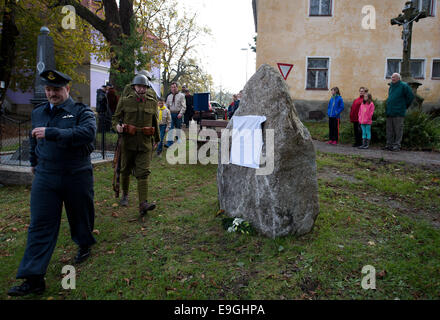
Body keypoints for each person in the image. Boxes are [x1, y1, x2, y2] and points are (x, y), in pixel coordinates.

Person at [7, 70, 97, 296]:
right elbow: (33, 138)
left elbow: (87, 133)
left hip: (76, 173)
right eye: (48, 89)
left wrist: (53, 132)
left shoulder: (81, 111)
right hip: (46, 176)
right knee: (40, 225)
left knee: (80, 214)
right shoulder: (38, 113)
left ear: (67, 88)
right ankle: (34, 278)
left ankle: (84, 243)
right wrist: (33, 162)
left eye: (56, 89)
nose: (51, 93)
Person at [112, 74, 160, 215]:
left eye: (144, 86)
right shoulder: (125, 101)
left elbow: (154, 121)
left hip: (145, 143)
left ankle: (143, 203)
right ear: (134, 87)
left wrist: (157, 139)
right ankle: (125, 195)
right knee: (125, 170)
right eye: (139, 86)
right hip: (128, 143)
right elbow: (115, 118)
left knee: (143, 172)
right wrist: (117, 127)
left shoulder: (151, 102)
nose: (141, 89)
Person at [384, 73, 414, 151]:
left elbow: (410, 97)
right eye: (392, 77)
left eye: (394, 77)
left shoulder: (404, 86)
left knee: (398, 129)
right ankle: (389, 144)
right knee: (389, 129)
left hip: (399, 111)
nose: (392, 79)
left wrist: (404, 106)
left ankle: (397, 145)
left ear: (398, 78)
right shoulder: (391, 86)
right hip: (390, 111)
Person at [165, 82, 186, 147]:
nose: (173, 89)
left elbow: (184, 106)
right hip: (171, 114)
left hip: (178, 114)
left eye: (174, 87)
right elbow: (166, 106)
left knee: (178, 128)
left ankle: (178, 140)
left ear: (177, 87)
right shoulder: (169, 96)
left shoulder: (181, 96)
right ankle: (169, 143)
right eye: (172, 87)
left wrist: (181, 114)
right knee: (170, 128)